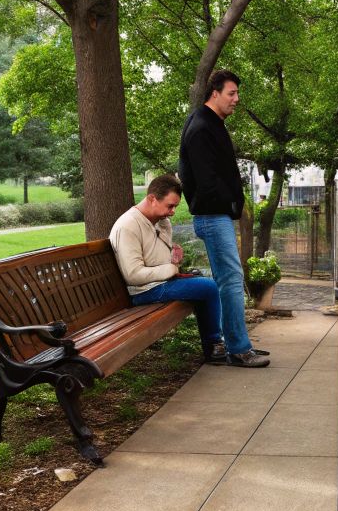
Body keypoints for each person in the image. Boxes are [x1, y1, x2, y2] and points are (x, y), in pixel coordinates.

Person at [109, 175, 255, 366]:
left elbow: (156, 259)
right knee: (209, 287)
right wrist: (171, 268)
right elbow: (133, 275)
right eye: (170, 206)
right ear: (152, 198)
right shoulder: (128, 226)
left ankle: (214, 344)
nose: (172, 212)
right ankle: (213, 345)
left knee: (203, 284)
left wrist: (173, 257)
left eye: (175, 207)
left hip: (160, 283)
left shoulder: (160, 222)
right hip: (144, 291)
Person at [178, 69, 268, 366]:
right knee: (231, 280)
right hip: (212, 216)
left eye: (237, 93)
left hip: (216, 215)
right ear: (214, 93)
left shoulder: (209, 122)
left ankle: (219, 343)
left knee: (224, 280)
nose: (236, 99)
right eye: (232, 93)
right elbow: (205, 179)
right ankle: (239, 349)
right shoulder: (202, 126)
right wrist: (231, 204)